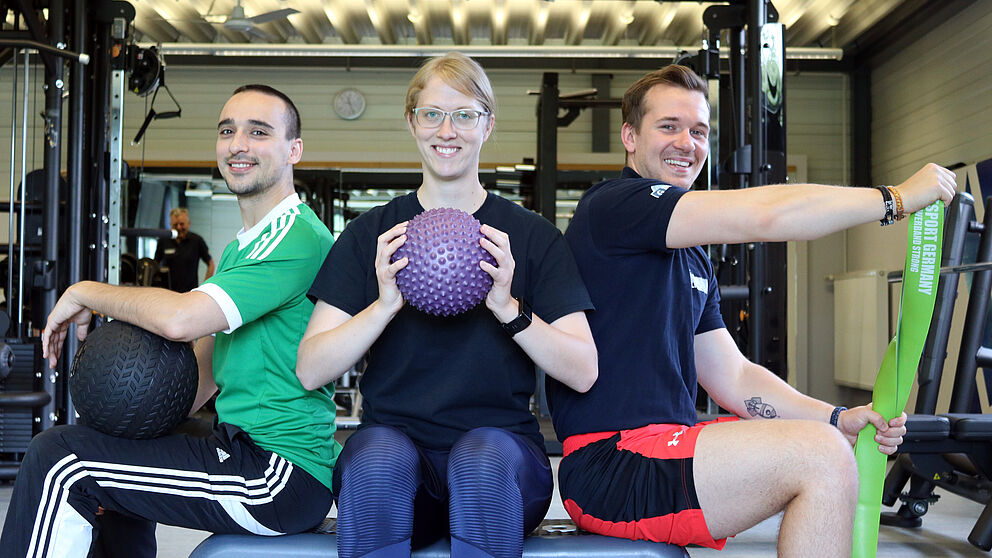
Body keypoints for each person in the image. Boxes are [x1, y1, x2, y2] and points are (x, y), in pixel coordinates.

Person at [545, 65, 957, 556]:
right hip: (611, 462)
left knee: (828, 447)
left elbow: (735, 377)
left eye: (699, 131)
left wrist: (836, 417)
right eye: (669, 126)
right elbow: (767, 214)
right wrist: (894, 200)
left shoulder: (691, 252)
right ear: (630, 136)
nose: (687, 143)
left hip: (662, 447)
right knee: (821, 459)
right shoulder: (613, 206)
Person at [0, 84, 338, 558]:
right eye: (227, 130)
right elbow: (202, 374)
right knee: (105, 443)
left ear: (293, 150)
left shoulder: (295, 237)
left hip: (276, 474)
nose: (238, 143)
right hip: (239, 446)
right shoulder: (242, 246)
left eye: (258, 132)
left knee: (60, 460)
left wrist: (83, 292)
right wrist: (122, 423)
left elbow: (181, 321)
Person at [296, 52, 597, 558]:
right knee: (375, 465)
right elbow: (310, 369)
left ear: (488, 124)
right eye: (433, 113)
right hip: (394, 458)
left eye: (464, 115)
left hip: (500, 459)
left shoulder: (532, 237)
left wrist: (509, 308)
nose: (447, 130)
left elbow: (583, 370)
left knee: (480, 461)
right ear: (412, 121)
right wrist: (384, 304)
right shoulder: (371, 235)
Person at [154, 207, 216, 292]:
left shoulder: (197, 241)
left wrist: (204, 287)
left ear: (188, 224)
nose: (179, 228)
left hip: (190, 294)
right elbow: (155, 265)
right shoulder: (163, 241)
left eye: (182, 224)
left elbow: (211, 264)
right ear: (171, 225)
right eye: (175, 225)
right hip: (168, 294)